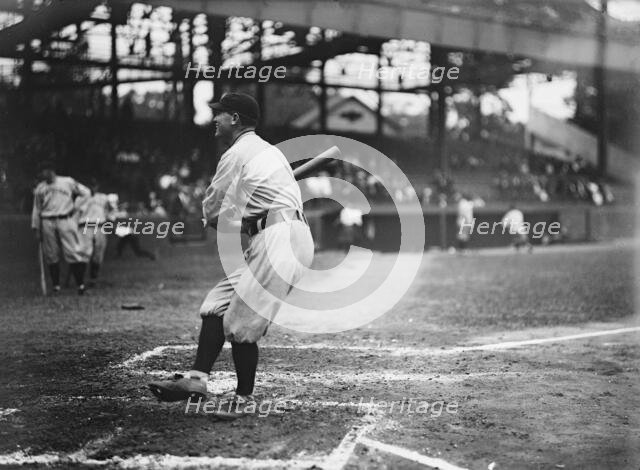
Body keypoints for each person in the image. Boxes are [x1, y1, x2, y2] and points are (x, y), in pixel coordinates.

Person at [148, 92, 314, 416]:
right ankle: (197, 379)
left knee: (240, 324)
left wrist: (212, 218)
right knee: (216, 306)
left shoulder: (237, 153)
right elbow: (250, 213)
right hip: (280, 235)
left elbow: (213, 206)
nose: (214, 119)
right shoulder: (269, 152)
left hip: (279, 238)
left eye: (220, 114)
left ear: (235, 119)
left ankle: (244, 398)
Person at [31, 161, 91, 294]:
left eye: (46, 170)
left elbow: (86, 193)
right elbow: (36, 209)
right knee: (51, 254)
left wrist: (77, 208)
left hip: (66, 218)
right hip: (47, 220)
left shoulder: (67, 182)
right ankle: (56, 286)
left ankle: (80, 285)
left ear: (52, 170)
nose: (44, 174)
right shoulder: (40, 188)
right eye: (42, 172)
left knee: (73, 251)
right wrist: (36, 227)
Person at [75, 180, 115, 287]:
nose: (92, 188)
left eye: (94, 185)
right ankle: (80, 281)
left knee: (98, 253)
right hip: (85, 226)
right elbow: (75, 213)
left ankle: (93, 279)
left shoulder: (102, 197)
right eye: (90, 186)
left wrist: (110, 218)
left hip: (100, 225)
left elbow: (110, 210)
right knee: (84, 252)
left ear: (97, 186)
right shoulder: (80, 198)